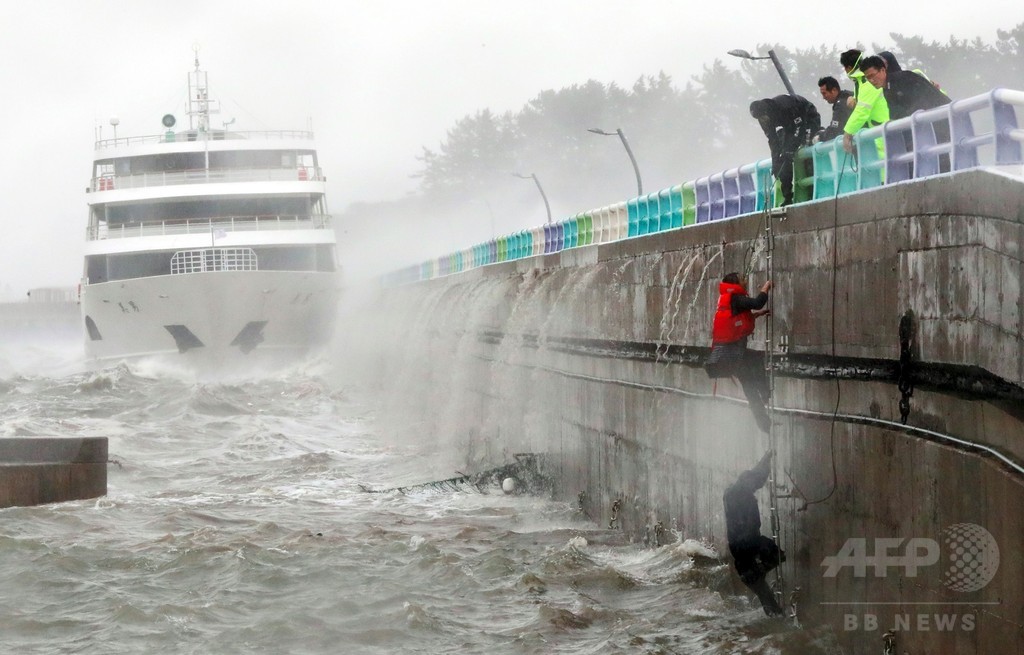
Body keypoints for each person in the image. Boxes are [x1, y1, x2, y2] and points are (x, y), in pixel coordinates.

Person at [705, 272, 773, 432]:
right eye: (742, 279)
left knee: (749, 385)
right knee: (757, 359)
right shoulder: (736, 297)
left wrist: (757, 316)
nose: (745, 281)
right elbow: (757, 302)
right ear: (735, 283)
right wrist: (766, 286)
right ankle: (765, 393)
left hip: (726, 356)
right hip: (735, 354)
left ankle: (764, 424)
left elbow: (736, 322)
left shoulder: (728, 301)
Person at [860, 54, 952, 172]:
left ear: (883, 70)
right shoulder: (888, 87)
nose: (871, 81)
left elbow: (921, 102)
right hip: (931, 126)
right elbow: (897, 114)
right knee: (932, 160)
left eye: (873, 75)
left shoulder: (901, 79)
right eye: (868, 78)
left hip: (940, 121)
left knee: (939, 161)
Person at [724, 449, 785, 616]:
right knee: (776, 557)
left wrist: (765, 459)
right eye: (751, 485)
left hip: (743, 546)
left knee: (763, 592)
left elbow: (756, 478)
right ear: (745, 484)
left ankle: (774, 617)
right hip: (746, 544)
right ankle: (775, 617)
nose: (755, 487)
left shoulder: (736, 491)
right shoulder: (738, 496)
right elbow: (750, 523)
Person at [749, 95, 821, 206]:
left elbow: (799, 127)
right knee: (781, 160)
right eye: (760, 119)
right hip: (788, 127)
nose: (763, 120)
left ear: (767, 111)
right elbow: (772, 140)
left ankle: (812, 188)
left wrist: (790, 149)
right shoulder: (762, 118)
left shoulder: (786, 105)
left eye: (764, 117)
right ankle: (787, 195)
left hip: (807, 118)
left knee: (801, 147)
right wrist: (775, 160)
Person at [839, 49, 889, 157]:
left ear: (848, 68)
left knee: (887, 171)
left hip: (883, 135)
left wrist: (847, 133)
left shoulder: (867, 81)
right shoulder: (862, 81)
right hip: (881, 132)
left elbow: (862, 110)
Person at [816, 76, 853, 142]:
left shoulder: (841, 104)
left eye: (824, 93)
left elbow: (834, 131)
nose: (823, 97)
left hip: (862, 143)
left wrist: (819, 137)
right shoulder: (848, 96)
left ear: (834, 90)